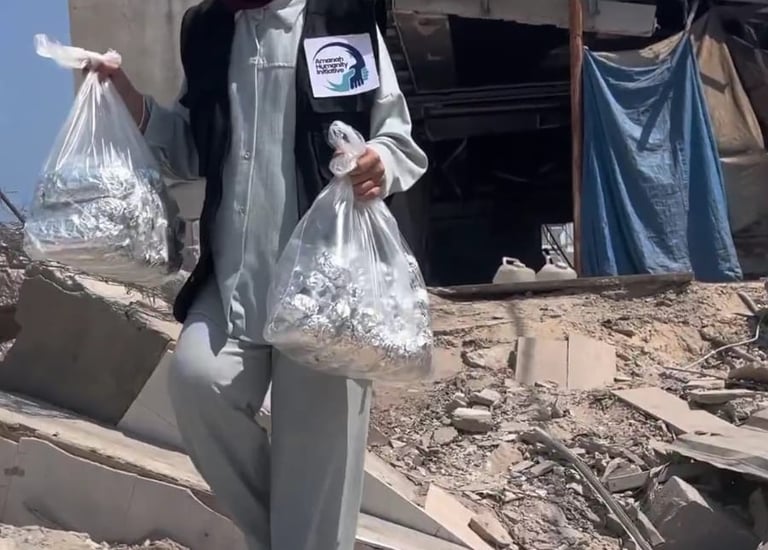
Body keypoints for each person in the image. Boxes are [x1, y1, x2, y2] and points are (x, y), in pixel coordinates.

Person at [88, 0, 427, 548]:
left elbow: (396, 135)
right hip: (232, 280)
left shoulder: (341, 18)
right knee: (198, 382)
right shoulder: (208, 29)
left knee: (318, 452)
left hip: (326, 290)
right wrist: (132, 102)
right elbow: (194, 146)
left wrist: (379, 162)